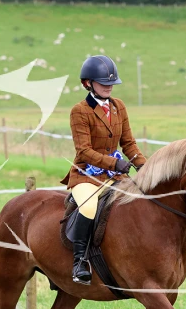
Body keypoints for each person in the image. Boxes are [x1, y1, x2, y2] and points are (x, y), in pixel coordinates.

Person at [60, 55, 147, 285]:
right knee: (89, 207)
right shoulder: (80, 111)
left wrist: (145, 167)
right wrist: (113, 163)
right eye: (103, 83)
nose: (109, 87)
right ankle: (79, 262)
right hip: (87, 175)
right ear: (88, 83)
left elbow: (128, 144)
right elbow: (84, 151)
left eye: (111, 83)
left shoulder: (119, 107)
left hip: (115, 175)